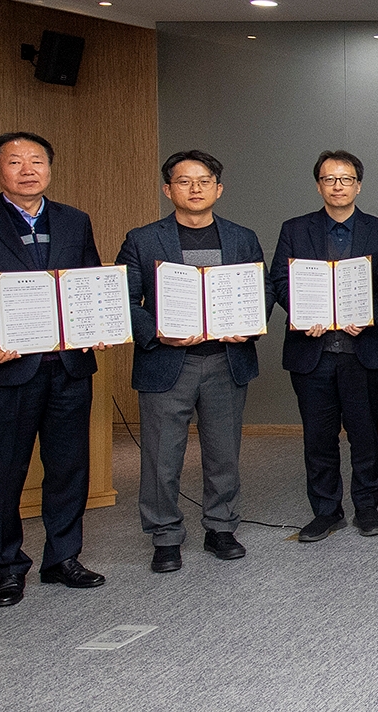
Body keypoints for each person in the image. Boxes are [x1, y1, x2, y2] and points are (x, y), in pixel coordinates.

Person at [0, 132, 107, 607]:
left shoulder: (75, 221)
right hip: (7, 373)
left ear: (50, 168)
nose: (28, 169)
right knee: (4, 473)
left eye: (37, 161)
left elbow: (88, 281)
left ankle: (63, 558)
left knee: (69, 468)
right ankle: (6, 567)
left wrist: (94, 319)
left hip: (70, 368)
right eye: (15, 162)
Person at [117, 149, 266, 573]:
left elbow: (261, 290)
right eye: (184, 181)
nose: (195, 188)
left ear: (218, 188)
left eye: (203, 181)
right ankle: (165, 536)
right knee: (162, 456)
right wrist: (157, 332)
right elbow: (125, 299)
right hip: (167, 362)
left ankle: (221, 527)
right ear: (168, 190)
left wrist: (251, 325)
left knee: (224, 452)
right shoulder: (142, 239)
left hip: (226, 358)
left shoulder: (242, 237)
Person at [269, 150, 378, 543]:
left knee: (365, 433)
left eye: (345, 179)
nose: (338, 186)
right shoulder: (294, 229)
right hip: (312, 351)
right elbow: (280, 280)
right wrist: (302, 312)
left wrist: (371, 315)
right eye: (329, 179)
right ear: (318, 185)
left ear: (358, 185)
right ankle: (326, 511)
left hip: (365, 349)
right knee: (318, 436)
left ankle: (367, 506)